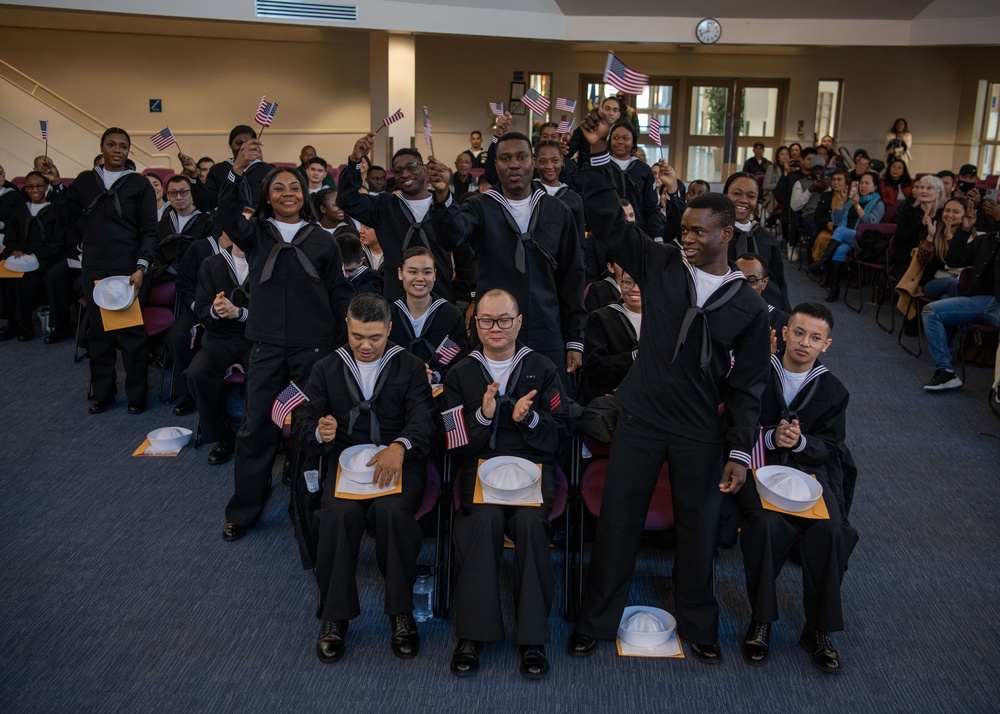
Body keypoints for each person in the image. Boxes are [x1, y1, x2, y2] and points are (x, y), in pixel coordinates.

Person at [569, 109, 770, 663]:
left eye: (698, 233)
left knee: (698, 530)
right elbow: (610, 223)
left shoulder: (749, 307)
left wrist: (737, 450)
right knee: (617, 523)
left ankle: (700, 628)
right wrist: (597, 155)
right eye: (683, 229)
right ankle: (596, 620)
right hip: (640, 415)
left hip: (699, 429)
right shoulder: (660, 265)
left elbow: (750, 386)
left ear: (726, 235)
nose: (686, 239)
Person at [218, 139, 354, 542]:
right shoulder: (255, 233)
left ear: (305, 194)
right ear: (267, 196)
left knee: (309, 430)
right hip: (266, 348)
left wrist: (353, 329)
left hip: (314, 350)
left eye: (295, 187)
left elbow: (338, 294)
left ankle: (307, 508)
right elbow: (225, 212)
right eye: (278, 188)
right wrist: (237, 170)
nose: (288, 193)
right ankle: (244, 510)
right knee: (256, 427)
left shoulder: (323, 239)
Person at [295, 293, 436, 664]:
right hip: (346, 468)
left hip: (398, 463)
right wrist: (319, 433)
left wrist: (400, 445)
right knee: (338, 518)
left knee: (393, 515)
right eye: (358, 336)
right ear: (347, 325)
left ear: (390, 329)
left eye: (375, 337)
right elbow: (302, 420)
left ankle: (401, 613)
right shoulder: (326, 367)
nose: (366, 345)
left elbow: (425, 420)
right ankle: (335, 617)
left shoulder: (409, 366)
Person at [442, 288, 570, 680]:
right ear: (475, 324)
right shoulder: (460, 372)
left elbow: (561, 437)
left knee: (531, 526)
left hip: (533, 468)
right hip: (480, 468)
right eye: (486, 320)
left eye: (503, 320)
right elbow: (452, 441)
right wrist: (482, 415)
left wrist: (528, 420)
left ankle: (531, 638)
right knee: (482, 523)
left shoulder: (544, 367)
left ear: (518, 322)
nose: (495, 328)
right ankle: (472, 635)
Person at [736, 302, 858, 674]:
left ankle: (817, 629)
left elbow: (832, 446)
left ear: (827, 344)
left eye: (815, 337)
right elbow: (735, 426)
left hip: (811, 477)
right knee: (766, 525)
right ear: (785, 333)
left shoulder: (833, 390)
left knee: (832, 531)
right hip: (760, 469)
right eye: (799, 333)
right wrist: (772, 437)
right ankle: (761, 620)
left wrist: (802, 444)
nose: (805, 342)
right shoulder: (755, 373)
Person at [427, 131, 586, 387]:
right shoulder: (480, 206)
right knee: (492, 404)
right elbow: (452, 236)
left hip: (547, 329)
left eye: (521, 157)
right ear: (495, 165)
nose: (514, 164)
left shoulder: (558, 210)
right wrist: (444, 195)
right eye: (505, 158)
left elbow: (572, 277)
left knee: (552, 410)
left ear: (532, 161)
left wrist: (575, 339)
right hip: (495, 332)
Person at [40, 128, 157, 414]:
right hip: (94, 267)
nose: (118, 150)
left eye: (124, 146)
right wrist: (56, 184)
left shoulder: (138, 185)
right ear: (102, 147)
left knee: (130, 335)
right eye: (111, 144)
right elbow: (65, 215)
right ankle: (103, 393)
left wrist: (142, 267)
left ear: (129, 151)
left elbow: (150, 232)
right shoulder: (84, 181)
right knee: (99, 334)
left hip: (128, 270)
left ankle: (136, 395)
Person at [338, 134, 455, 302]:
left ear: (424, 169)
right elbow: (347, 200)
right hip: (397, 301)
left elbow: (461, 245)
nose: (405, 173)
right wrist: (355, 161)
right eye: (398, 170)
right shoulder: (384, 206)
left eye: (411, 166)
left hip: (440, 299)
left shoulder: (444, 204)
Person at [921, 197, 1000, 391]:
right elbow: (954, 260)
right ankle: (946, 371)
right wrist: (964, 231)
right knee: (931, 311)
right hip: (981, 301)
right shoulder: (986, 240)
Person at [186, 240, 251, 465]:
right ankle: (223, 436)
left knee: (266, 374)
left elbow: (276, 315)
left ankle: (256, 435)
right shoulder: (211, 264)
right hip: (221, 338)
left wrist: (240, 313)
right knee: (197, 373)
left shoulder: (267, 263)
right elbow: (202, 310)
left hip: (256, 339)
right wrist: (216, 310)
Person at [0, 171, 69, 342]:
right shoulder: (20, 211)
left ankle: (26, 325)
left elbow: (59, 242)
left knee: (26, 277)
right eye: (30, 186)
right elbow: (10, 238)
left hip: (46, 257)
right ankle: (12, 323)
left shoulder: (55, 210)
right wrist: (15, 251)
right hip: (21, 256)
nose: (35, 189)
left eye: (39, 185)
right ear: (26, 188)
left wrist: (34, 255)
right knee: (5, 275)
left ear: (46, 187)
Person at [389, 247, 467, 385]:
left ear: (435, 275)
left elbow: (459, 363)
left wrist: (434, 376)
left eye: (427, 272)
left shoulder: (451, 315)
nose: (420, 278)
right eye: (412, 272)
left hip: (439, 393)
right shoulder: (389, 315)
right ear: (400, 273)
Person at [813, 172, 886, 302]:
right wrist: (842, 201)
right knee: (840, 249)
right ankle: (834, 291)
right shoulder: (852, 199)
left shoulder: (878, 203)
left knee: (840, 231)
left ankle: (821, 263)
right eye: (861, 183)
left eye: (867, 183)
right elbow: (836, 220)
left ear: (875, 187)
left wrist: (857, 206)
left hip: (865, 240)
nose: (863, 186)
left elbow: (870, 225)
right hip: (849, 238)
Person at [725, 172, 790, 311]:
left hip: (762, 309)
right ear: (725, 195)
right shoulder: (715, 235)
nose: (743, 200)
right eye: (736, 193)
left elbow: (779, 282)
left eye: (751, 196)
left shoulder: (768, 241)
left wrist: (784, 316)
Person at [580, 269, 640, 404]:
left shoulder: (663, 318)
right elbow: (593, 367)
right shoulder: (601, 318)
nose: (634, 289)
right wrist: (632, 357)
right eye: (628, 282)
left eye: (641, 283)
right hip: (612, 401)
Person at [604, 120, 665, 239]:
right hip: (607, 232)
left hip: (637, 233)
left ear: (633, 143)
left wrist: (657, 237)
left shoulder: (644, 170)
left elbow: (651, 207)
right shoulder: (603, 167)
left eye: (626, 138)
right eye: (615, 137)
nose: (620, 142)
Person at [203, 125, 275, 211]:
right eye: (238, 143)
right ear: (230, 145)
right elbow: (209, 203)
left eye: (248, 144)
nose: (243, 148)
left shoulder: (268, 171)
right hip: (226, 220)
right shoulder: (217, 170)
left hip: (259, 221)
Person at [736, 253, 788, 354]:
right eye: (738, 279)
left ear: (764, 283)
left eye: (752, 281)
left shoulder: (783, 322)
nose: (743, 286)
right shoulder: (716, 313)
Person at [789, 155, 830, 251]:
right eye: (815, 169)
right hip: (811, 215)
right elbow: (794, 206)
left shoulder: (830, 182)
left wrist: (827, 189)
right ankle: (815, 258)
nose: (818, 172)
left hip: (828, 214)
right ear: (810, 169)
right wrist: (809, 191)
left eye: (821, 169)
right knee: (816, 230)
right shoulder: (801, 183)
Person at [810, 168, 850, 263]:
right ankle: (821, 265)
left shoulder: (853, 198)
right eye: (833, 179)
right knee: (821, 239)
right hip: (830, 230)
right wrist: (828, 223)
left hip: (846, 230)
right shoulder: (826, 196)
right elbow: (818, 217)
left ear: (847, 182)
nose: (835, 182)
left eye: (839, 179)